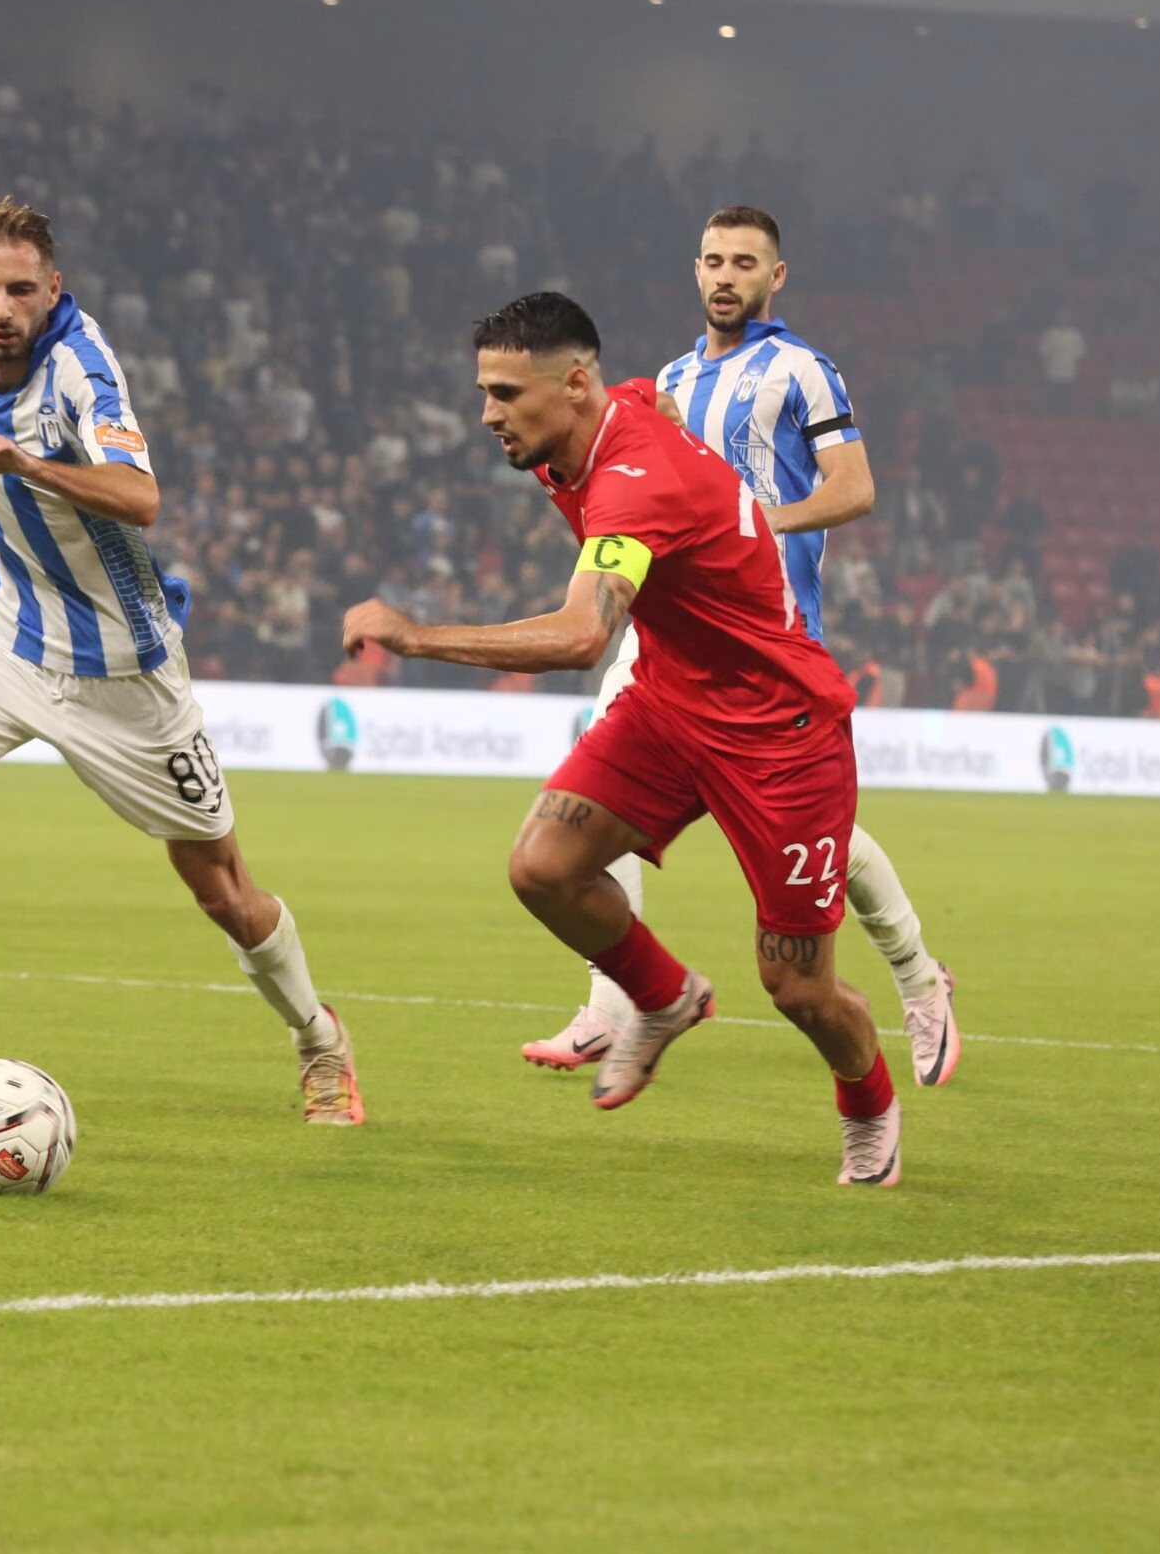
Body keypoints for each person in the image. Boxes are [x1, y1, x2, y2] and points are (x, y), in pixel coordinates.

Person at [0, 195, 361, 1125]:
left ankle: (317, 1038)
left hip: (126, 674)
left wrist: (26, 463)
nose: (3, 308)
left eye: (23, 290)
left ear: (53, 289)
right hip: (9, 636)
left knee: (224, 892)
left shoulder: (79, 368)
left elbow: (140, 498)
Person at [343, 292, 899, 1183]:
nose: (487, 414)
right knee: (543, 867)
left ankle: (868, 1105)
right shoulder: (611, 411)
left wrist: (414, 636)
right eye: (484, 391)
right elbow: (653, 397)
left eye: (505, 394)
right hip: (671, 703)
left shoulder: (635, 484)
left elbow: (579, 638)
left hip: (779, 731)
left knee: (798, 987)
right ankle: (664, 996)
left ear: (572, 385)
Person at [518, 206, 962, 1090]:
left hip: (771, 638)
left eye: (745, 262)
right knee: (592, 798)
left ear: (775, 277)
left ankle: (919, 976)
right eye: (714, 260)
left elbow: (856, 488)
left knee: (820, 839)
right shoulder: (672, 379)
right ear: (696, 270)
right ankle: (612, 1004)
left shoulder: (802, 370)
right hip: (664, 633)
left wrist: (760, 522)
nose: (726, 275)